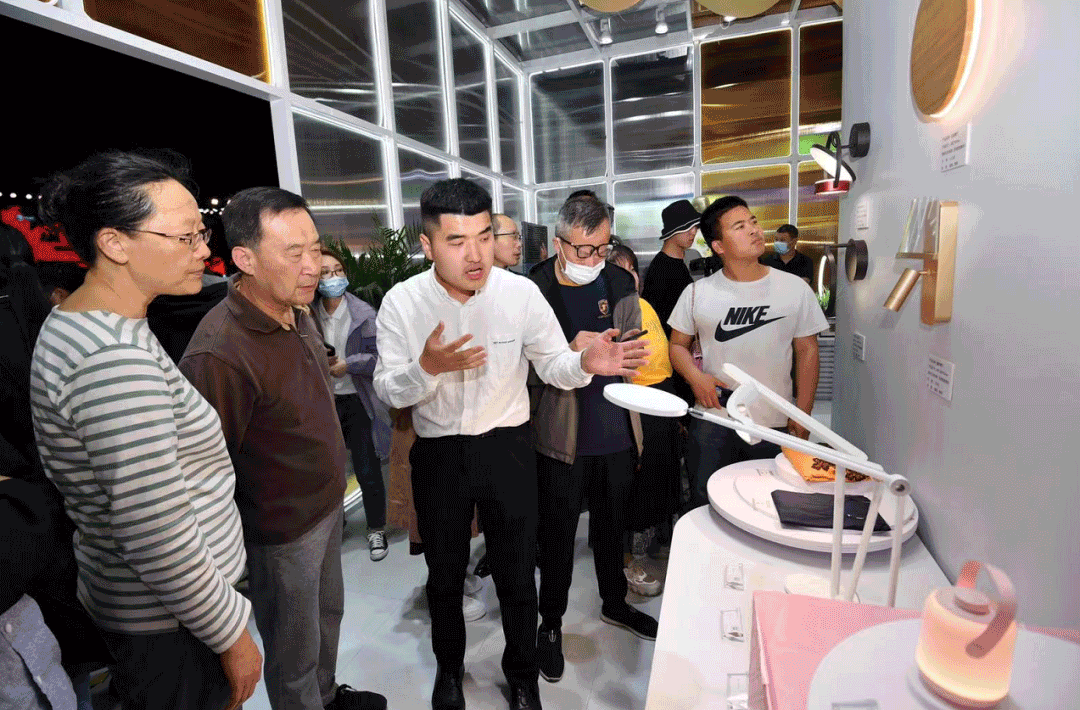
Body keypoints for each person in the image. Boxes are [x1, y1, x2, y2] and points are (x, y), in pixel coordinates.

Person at [373, 178, 646, 710]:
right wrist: (427, 368)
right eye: (457, 242)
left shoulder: (519, 293)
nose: (475, 255)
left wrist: (585, 363)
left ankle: (522, 677)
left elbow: (554, 365)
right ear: (427, 245)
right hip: (440, 452)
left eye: (483, 237)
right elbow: (387, 388)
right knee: (445, 576)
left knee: (518, 573)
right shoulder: (402, 303)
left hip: (509, 448)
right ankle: (449, 672)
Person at [28, 151, 261, 710]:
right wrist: (230, 634)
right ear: (115, 243)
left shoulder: (95, 323)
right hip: (173, 625)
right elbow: (156, 532)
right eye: (185, 237)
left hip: (155, 613)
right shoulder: (112, 359)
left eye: (201, 233)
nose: (203, 250)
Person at [180, 187, 386, 710]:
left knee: (326, 621)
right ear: (245, 259)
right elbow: (204, 474)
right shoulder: (220, 353)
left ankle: (327, 696)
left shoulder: (297, 311)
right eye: (293, 253)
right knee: (293, 654)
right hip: (280, 533)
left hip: (325, 508)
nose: (312, 267)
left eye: (315, 248)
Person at [529, 196, 658, 687]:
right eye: (584, 250)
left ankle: (614, 602)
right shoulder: (534, 288)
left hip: (615, 428)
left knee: (611, 526)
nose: (594, 259)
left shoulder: (620, 282)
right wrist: (570, 351)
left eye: (603, 248)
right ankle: (550, 623)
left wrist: (626, 353)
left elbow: (633, 353)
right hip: (561, 435)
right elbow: (520, 369)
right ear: (559, 243)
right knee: (557, 536)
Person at [668, 196, 828, 510]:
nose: (754, 230)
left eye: (753, 221)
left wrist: (803, 414)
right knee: (708, 505)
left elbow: (807, 351)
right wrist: (696, 378)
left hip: (775, 422)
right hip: (715, 420)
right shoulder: (697, 293)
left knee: (771, 507)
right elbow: (676, 345)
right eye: (739, 226)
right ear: (718, 246)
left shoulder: (794, 288)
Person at [608, 244, 681, 597]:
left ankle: (651, 541)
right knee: (633, 483)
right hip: (636, 402)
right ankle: (626, 559)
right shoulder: (613, 312)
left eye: (632, 270)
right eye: (620, 272)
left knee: (661, 474)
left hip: (661, 398)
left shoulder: (644, 304)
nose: (630, 277)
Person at [314, 250, 390, 561]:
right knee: (328, 471)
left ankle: (376, 528)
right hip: (323, 402)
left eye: (338, 270)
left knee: (366, 469)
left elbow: (380, 357)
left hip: (358, 400)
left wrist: (349, 364)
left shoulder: (363, 314)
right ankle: (336, 525)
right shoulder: (306, 314)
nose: (333, 278)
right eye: (324, 273)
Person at [641, 199, 700, 337]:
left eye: (696, 226)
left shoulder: (681, 261)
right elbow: (655, 320)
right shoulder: (660, 270)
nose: (693, 232)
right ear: (674, 229)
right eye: (687, 227)